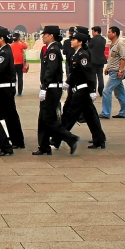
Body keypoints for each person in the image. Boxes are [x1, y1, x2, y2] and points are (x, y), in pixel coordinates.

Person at [34, 26, 80, 155]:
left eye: (45, 34)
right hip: (51, 87)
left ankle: (70, 138)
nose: (43, 37)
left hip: (52, 88)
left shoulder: (53, 50)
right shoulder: (50, 49)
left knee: (48, 118)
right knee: (43, 118)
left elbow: (51, 70)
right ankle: (44, 147)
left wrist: (44, 87)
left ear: (51, 36)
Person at [61, 26, 106, 149]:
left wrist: (92, 90)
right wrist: (68, 82)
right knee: (90, 116)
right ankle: (99, 139)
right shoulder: (77, 54)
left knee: (71, 114)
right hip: (78, 88)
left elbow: (89, 74)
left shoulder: (83, 55)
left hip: (82, 90)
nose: (71, 41)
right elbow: (75, 73)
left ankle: (59, 138)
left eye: (74, 39)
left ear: (80, 42)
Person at [0, 24, 24, 149]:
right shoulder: (1, 50)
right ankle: (16, 140)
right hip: (1, 88)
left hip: (5, 88)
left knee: (10, 116)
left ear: (1, 38)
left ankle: (18, 141)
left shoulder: (4, 52)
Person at [100, 26, 125, 119]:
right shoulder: (112, 44)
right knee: (120, 93)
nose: (108, 34)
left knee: (106, 91)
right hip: (112, 70)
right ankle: (124, 112)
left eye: (109, 32)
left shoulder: (120, 44)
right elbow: (112, 58)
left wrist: (120, 70)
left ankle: (106, 112)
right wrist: (107, 67)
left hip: (117, 72)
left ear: (114, 33)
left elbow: (123, 58)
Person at [88, 26, 107, 95]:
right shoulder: (103, 39)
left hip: (93, 60)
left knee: (93, 76)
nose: (92, 33)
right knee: (100, 75)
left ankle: (93, 89)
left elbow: (89, 47)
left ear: (96, 32)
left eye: (92, 31)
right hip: (101, 59)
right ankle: (101, 90)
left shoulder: (93, 40)